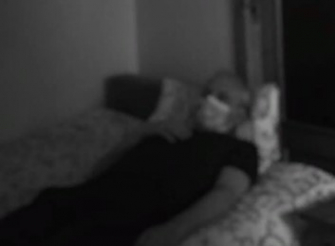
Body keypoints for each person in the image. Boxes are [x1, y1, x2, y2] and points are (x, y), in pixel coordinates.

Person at [0, 73, 258, 246]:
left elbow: (226, 192)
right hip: (75, 198)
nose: (208, 100)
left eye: (222, 98)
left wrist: (172, 231)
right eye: (206, 92)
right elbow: (95, 172)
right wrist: (139, 134)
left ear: (240, 114)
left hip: (121, 221)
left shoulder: (240, 148)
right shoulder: (165, 129)